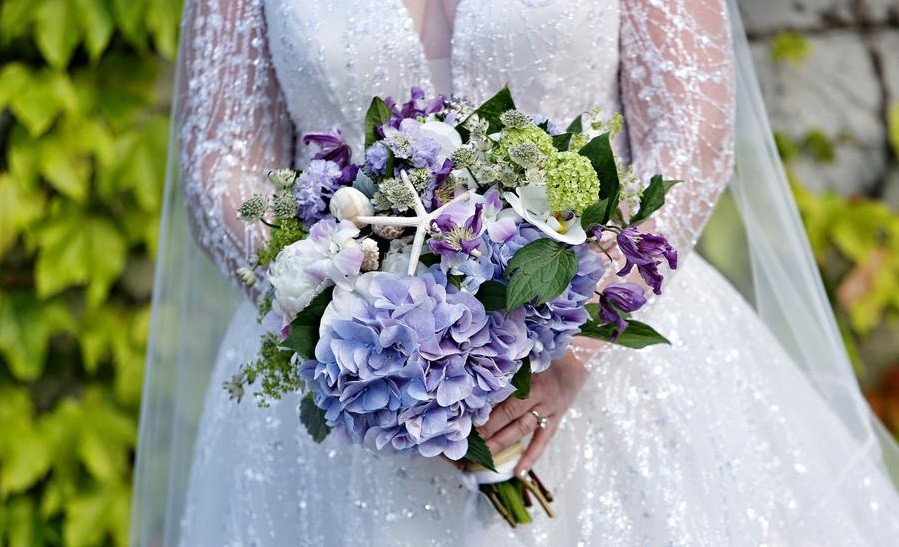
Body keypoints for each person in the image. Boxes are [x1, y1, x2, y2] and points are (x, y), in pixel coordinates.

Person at [131, 0, 899, 545]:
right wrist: (340, 312)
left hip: (603, 360)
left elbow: (689, 140)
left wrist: (571, 342)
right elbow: (221, 161)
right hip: (345, 387)